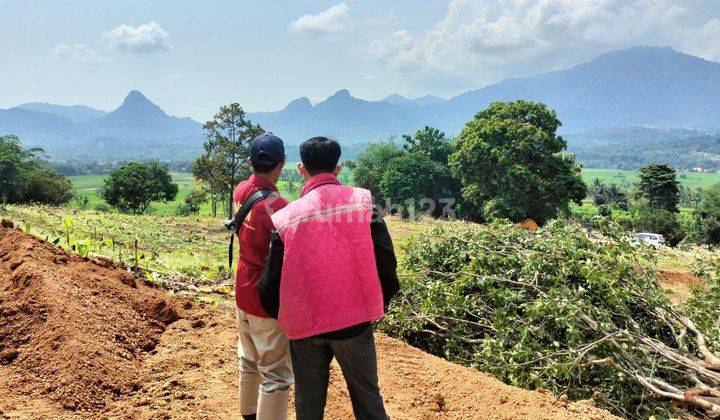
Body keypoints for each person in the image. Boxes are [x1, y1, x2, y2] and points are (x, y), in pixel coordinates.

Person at [259, 136, 400, 420]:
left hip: (305, 328)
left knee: (309, 408)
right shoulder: (363, 202)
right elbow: (386, 260)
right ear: (337, 169)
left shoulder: (287, 217)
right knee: (369, 403)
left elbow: (271, 280)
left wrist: (284, 316)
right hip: (355, 323)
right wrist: (373, 303)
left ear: (301, 169)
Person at [232, 133, 293, 420]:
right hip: (265, 295)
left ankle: (248, 415)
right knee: (276, 372)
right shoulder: (279, 207)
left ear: (249, 162)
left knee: (248, 358)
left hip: (242, 287)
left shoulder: (241, 189)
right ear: (281, 165)